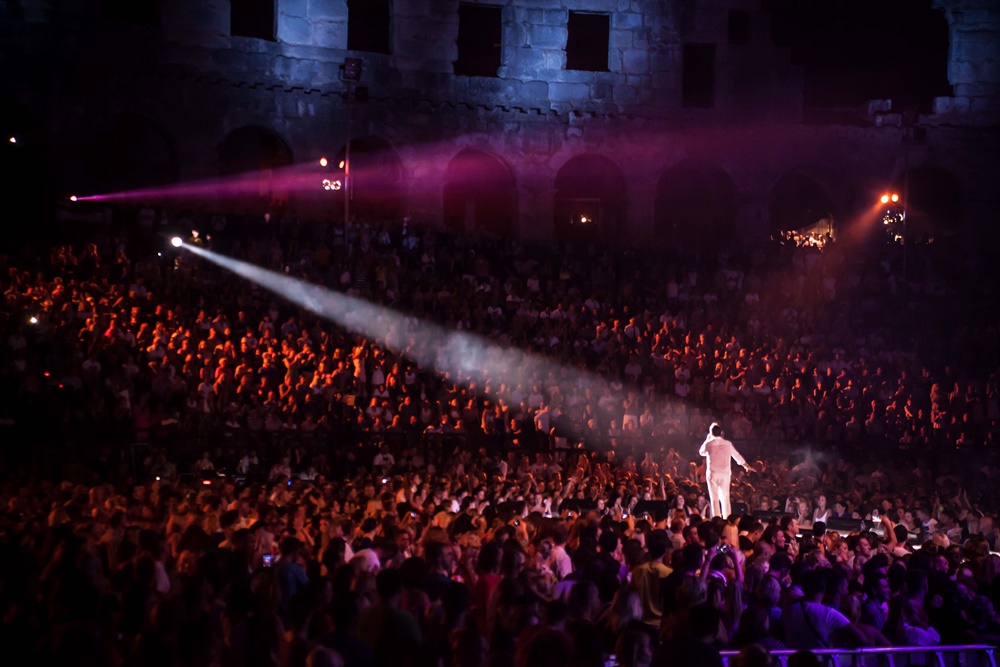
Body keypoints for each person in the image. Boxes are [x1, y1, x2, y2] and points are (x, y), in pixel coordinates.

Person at [699, 423, 752, 519]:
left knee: (714, 498)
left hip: (713, 474)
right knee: (725, 498)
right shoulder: (728, 444)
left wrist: (707, 439)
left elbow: (701, 452)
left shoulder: (709, 443)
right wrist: (746, 465)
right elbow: (737, 456)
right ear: (721, 433)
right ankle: (727, 518)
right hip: (724, 474)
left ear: (711, 433)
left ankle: (716, 518)